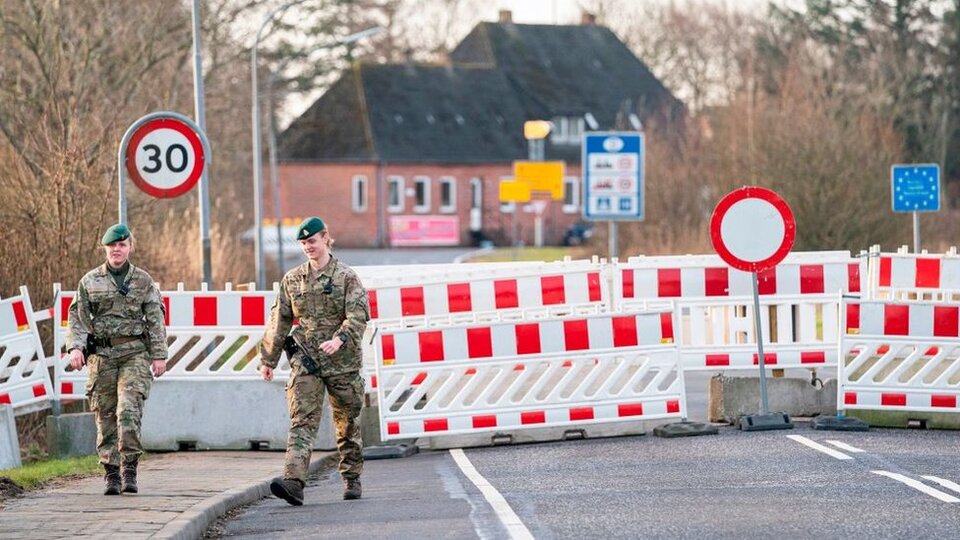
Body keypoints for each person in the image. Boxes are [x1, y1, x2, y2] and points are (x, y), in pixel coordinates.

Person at [259, 217, 370, 506]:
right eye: (303, 243)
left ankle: (351, 477)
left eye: (312, 241)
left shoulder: (346, 277)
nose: (308, 247)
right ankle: (294, 482)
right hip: (307, 362)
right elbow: (279, 320)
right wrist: (268, 359)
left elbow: (358, 316)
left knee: (347, 424)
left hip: (342, 363)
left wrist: (339, 339)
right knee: (302, 421)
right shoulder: (293, 279)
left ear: (325, 239)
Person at [64, 223, 168, 495]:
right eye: (112, 245)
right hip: (102, 357)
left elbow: (155, 319)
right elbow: (77, 318)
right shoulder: (90, 281)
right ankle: (111, 474)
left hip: (134, 353)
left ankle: (129, 468)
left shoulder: (143, 281)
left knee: (128, 410)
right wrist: (75, 348)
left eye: (122, 245)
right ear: (105, 249)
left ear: (130, 247)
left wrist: (159, 354)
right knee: (105, 415)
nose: (117, 249)